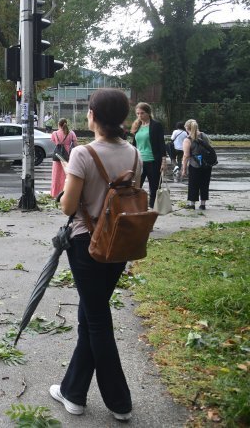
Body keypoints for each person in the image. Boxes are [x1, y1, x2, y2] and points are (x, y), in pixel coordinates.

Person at [55, 88, 138, 422]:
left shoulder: (83, 154)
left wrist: (64, 191)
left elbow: (68, 207)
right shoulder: (132, 154)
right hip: (119, 243)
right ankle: (72, 392)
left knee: (97, 320)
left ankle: (120, 402)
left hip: (87, 244)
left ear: (92, 115)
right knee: (91, 315)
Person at [129, 102, 166, 208]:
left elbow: (161, 144)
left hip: (153, 161)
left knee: (154, 187)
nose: (140, 116)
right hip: (139, 162)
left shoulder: (156, 125)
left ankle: (153, 208)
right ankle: (136, 206)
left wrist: (163, 162)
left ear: (148, 113)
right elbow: (134, 145)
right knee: (136, 186)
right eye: (138, 113)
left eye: (142, 113)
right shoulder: (137, 126)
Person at [181, 119, 213, 210]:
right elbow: (209, 148)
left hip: (195, 165)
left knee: (193, 184)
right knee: (205, 184)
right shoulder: (204, 136)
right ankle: (203, 204)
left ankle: (192, 204)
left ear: (187, 128)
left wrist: (184, 169)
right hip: (207, 165)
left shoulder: (188, 140)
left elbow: (186, 155)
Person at [50, 118, 77, 198]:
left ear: (59, 124)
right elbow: (75, 144)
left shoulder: (55, 133)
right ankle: (65, 192)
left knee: (56, 175)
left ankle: (55, 193)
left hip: (58, 156)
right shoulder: (71, 133)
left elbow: (54, 142)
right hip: (67, 156)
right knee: (66, 174)